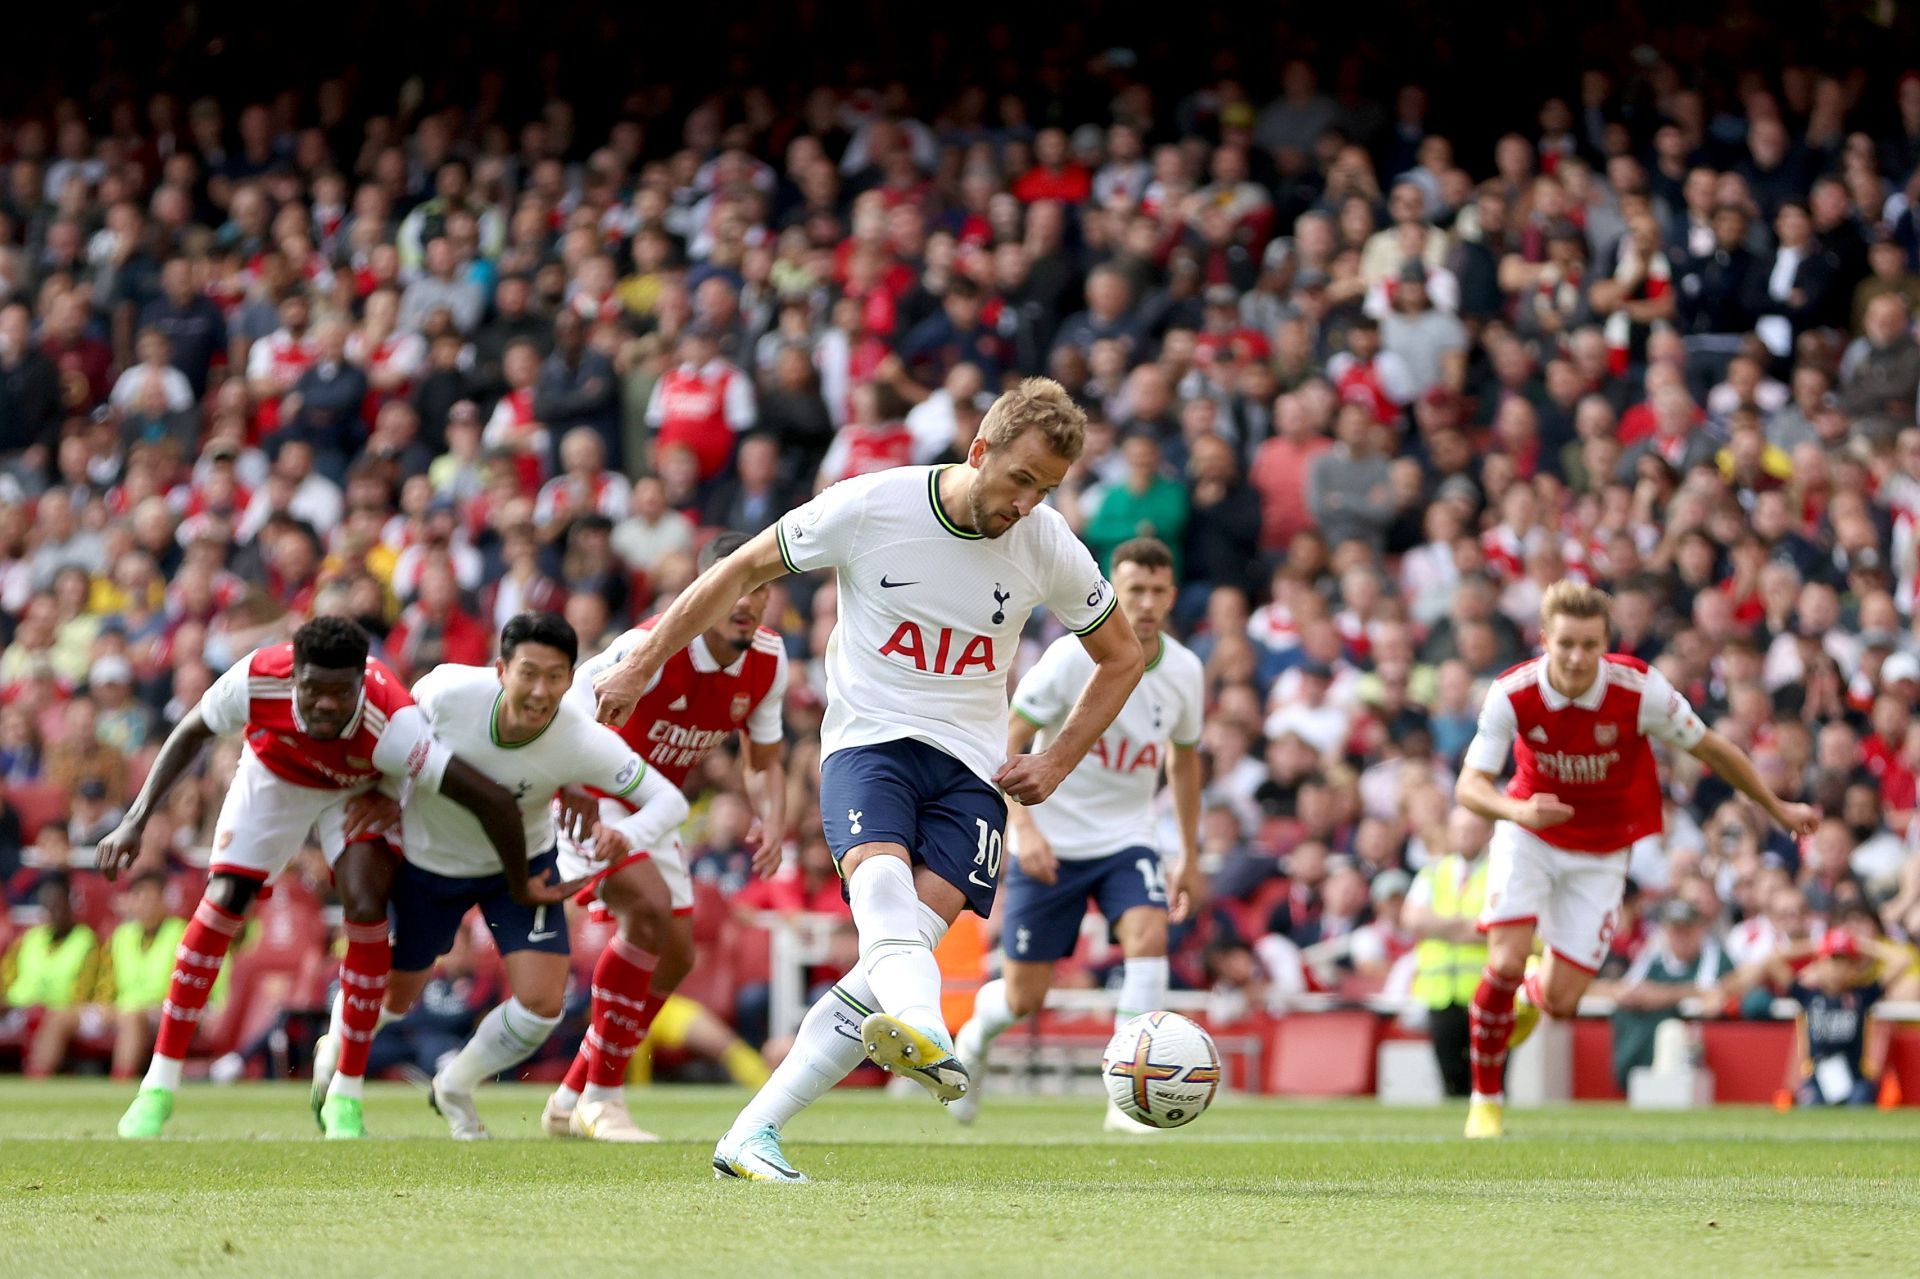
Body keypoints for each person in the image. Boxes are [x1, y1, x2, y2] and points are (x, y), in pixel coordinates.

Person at [593, 377, 1143, 1182]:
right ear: (979, 450)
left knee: (900, 946)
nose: (1028, 502)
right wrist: (644, 659)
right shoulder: (870, 505)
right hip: (871, 744)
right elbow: (742, 567)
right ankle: (927, 1028)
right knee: (883, 893)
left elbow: (1122, 655)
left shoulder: (1049, 544)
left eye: (1047, 488)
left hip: (971, 768)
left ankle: (752, 1132)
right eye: (1021, 479)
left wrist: (1058, 758)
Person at [97, 616, 535, 1140]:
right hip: (273, 778)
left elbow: (479, 794)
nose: (327, 702)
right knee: (225, 898)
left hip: (355, 792)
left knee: (367, 902)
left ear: (359, 682)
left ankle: (345, 1096)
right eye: (313, 689)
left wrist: (399, 799)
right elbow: (192, 730)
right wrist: (135, 820)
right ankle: (158, 1086)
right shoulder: (257, 677)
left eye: (341, 692)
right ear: (293, 679)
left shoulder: (394, 723)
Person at [1453, 579, 1817, 1139]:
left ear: (1606, 643)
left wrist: (1776, 806)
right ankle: (1486, 1102)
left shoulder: (1638, 690)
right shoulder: (1512, 692)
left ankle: (1531, 993)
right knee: (1502, 962)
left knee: (1561, 1003)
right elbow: (1469, 785)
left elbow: (1713, 749)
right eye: (1566, 643)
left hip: (1601, 853)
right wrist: (1517, 812)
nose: (1577, 657)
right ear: (1545, 639)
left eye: (1590, 645)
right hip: (1530, 836)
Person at [353, 612, 690, 1140]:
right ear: (500, 669)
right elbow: (394, 735)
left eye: (555, 677)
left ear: (570, 679)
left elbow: (669, 800)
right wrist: (379, 792)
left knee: (542, 1005)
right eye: (528, 673)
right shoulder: (444, 691)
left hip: (521, 868)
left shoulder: (578, 738)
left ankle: (454, 1085)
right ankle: (337, 1048)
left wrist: (627, 835)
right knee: (396, 999)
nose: (540, 691)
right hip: (432, 860)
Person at [539, 531, 789, 1142]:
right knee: (647, 913)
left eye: (758, 588)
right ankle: (604, 1099)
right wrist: (569, 783)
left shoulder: (768, 661)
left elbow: (763, 759)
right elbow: (565, 704)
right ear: (699, 593)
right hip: (590, 801)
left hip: (656, 812)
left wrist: (774, 817)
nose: (746, 603)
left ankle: (570, 1097)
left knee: (676, 955)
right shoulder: (647, 647)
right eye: (731, 586)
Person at [948, 536, 1203, 1132]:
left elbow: (1183, 761)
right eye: (1133, 589)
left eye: (1157, 591)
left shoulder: (1186, 671)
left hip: (1127, 838)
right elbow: (1008, 736)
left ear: (1171, 596)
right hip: (1051, 841)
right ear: (1113, 588)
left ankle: (1127, 1099)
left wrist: (1188, 853)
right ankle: (974, 1039)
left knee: (1148, 935)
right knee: (1023, 998)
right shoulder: (1070, 658)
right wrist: (1024, 827)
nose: (1144, 603)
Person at [1721, 928, 1912, 1106]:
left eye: (1845, 962)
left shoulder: (1862, 995)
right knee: (1810, 1105)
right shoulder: (1808, 996)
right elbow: (1773, 959)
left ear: (1854, 968)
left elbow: (1903, 960)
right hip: (1817, 1080)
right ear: (1819, 963)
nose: (1838, 968)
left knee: (1860, 1100)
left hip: (1856, 1081)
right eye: (1832, 960)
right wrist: (1815, 944)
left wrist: (1861, 944)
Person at [1403, 807, 1494, 1098]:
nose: (1465, 836)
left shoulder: (1501, 872)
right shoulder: (1434, 871)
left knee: (1490, 1078)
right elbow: (1412, 919)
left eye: (1473, 829)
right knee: (1451, 1079)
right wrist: (1466, 925)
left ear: (1488, 832)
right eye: (1460, 829)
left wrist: (1440, 925)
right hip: (1442, 993)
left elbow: (1499, 929)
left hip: (1489, 992)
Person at [1603, 898, 1730, 1091]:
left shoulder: (1713, 956)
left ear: (1699, 929)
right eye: (1675, 930)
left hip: (1695, 1046)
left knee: (1671, 1031)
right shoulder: (1653, 955)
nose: (1680, 936)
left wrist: (1659, 995)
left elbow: (1711, 992)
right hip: (1641, 1038)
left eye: (1686, 929)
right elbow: (1627, 990)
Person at [1, 871, 103, 1077]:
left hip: (63, 1009)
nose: (54, 911)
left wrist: (46, 1006)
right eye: (49, 905)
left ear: (70, 906)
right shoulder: (28, 939)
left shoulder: (86, 940)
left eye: (59, 904)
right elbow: (6, 977)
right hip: (20, 1008)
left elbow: (86, 988)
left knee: (56, 1019)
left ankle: (37, 1076)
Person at [100, 870, 192, 1081]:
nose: (145, 903)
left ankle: (121, 1080)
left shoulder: (182, 933)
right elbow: (106, 978)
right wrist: (104, 1003)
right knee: (60, 1015)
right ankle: (37, 1081)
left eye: (151, 897)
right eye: (139, 896)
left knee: (133, 1017)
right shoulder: (121, 935)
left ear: (164, 900)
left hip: (166, 1009)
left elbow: (192, 979)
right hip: (121, 1009)